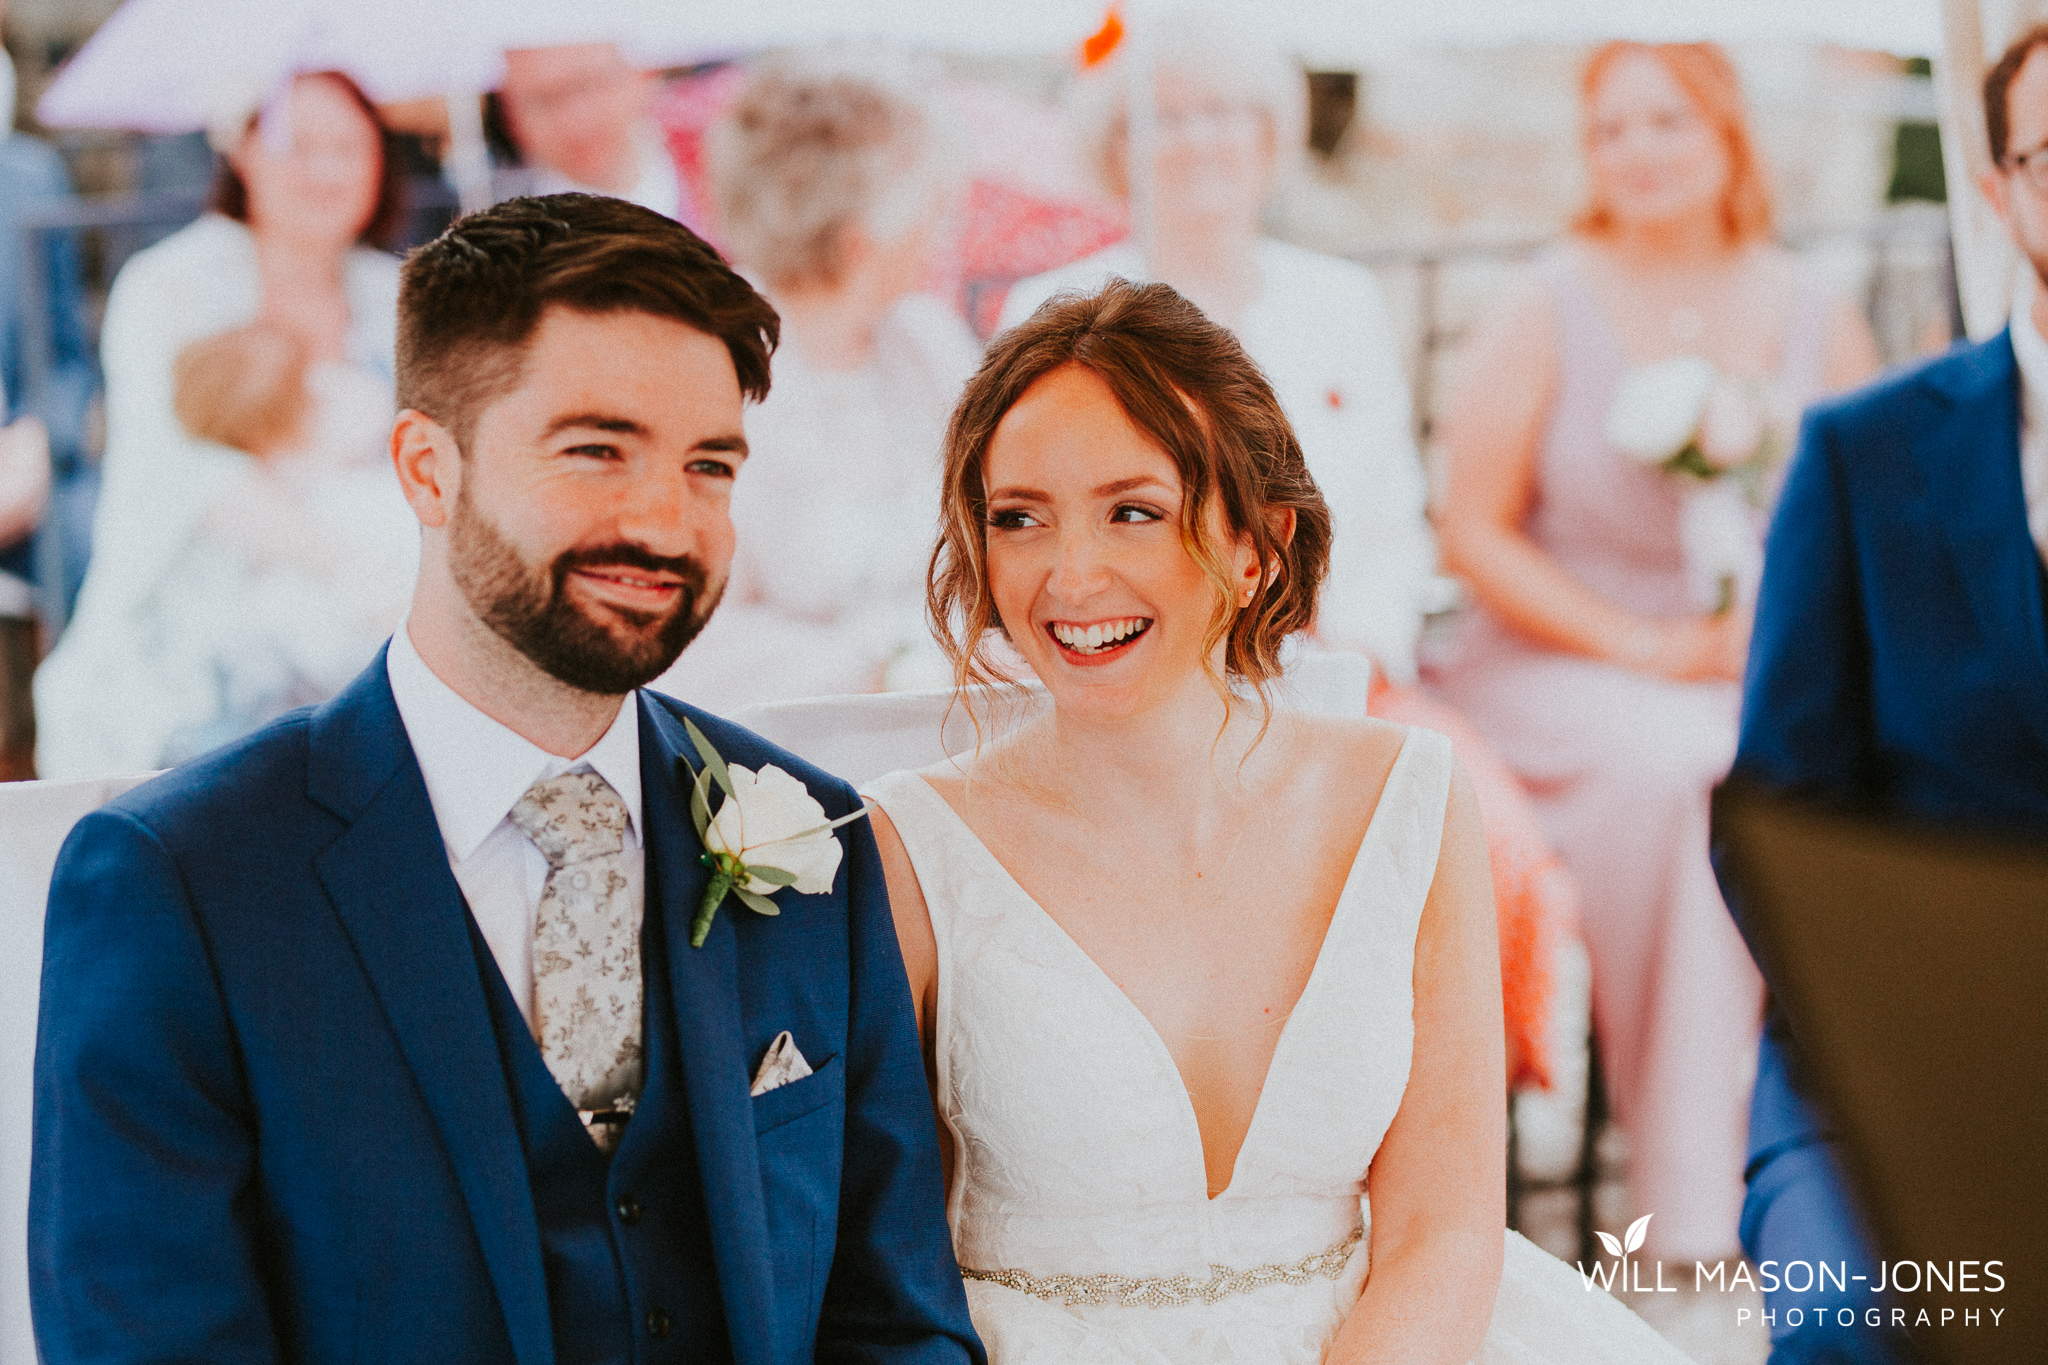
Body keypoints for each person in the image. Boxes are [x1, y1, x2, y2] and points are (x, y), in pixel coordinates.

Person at [31, 193, 984, 1365]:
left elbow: (897, 1326)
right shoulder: (181, 883)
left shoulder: (810, 837)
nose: (664, 519)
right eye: (596, 450)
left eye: (709, 467)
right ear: (427, 470)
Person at [861, 279, 1687, 1364]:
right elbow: (881, 1271)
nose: (1068, 574)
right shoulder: (906, 848)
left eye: (1132, 511)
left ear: (1255, 548)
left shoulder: (1410, 798)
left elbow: (1443, 1232)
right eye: (1018, 518)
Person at [999, 22, 1574, 1087]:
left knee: (1476, 838)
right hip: (1136, 684)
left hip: (1338, 669)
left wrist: (1351, 639)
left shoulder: (1337, 300)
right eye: (1167, 117)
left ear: (1270, 138)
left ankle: (1448, 1111)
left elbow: (1394, 513)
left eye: (1228, 113)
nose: (1203, 141)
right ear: (1115, 148)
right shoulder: (1056, 315)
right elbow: (1032, 528)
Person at [1431, 41, 1881, 1262]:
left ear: (1725, 134)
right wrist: (1641, 642)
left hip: (1756, 654)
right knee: (1691, 770)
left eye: (1663, 123)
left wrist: (1777, 637)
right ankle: (1690, 1196)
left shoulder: (1810, 308)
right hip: (1554, 659)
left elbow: (1866, 512)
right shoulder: (1546, 302)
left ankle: (1866, 1140)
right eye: (1609, 131)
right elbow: (1468, 529)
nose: (1635, 152)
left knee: (1872, 758)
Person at [1715, 27, 2048, 1365]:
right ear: (2003, 185)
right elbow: (1772, 819)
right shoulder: (1866, 455)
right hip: (1899, 1067)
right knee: (1863, 1326)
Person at [32, 71, 409, 779]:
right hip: (197, 648)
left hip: (373, 640)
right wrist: (358, 577)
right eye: (299, 144)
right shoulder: (165, 286)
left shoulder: (394, 296)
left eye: (349, 146)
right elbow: (191, 474)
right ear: (243, 152)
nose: (325, 169)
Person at [653, 48, 979, 709]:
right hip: (798, 759)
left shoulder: (931, 347)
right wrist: (891, 665)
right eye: (931, 209)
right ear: (862, 236)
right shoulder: (706, 373)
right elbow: (685, 640)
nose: (942, 235)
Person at [153, 321, 415, 760]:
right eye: (311, 395)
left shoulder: (342, 489)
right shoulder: (301, 512)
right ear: (275, 436)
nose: (331, 391)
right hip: (250, 719)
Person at [0, 41, 96, 778]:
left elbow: (65, 352)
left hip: (25, 464)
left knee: (96, 536)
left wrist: (39, 436)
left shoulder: (30, 176)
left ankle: (68, 779)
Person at [495, 42, 706, 233]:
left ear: (641, 76)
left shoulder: (713, 148)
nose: (574, 120)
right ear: (510, 118)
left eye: (588, 85)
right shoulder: (505, 234)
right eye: (543, 101)